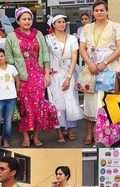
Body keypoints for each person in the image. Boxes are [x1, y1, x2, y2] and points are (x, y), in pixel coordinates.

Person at [7, 7, 58, 148]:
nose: (27, 21)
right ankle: (25, 137)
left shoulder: (38, 34)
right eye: (24, 19)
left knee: (38, 107)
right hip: (21, 78)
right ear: (17, 21)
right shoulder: (12, 37)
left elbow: (45, 56)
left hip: (38, 76)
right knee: (24, 107)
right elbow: (9, 60)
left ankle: (36, 137)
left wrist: (46, 74)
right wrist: (14, 79)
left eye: (29, 19)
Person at [77, 0, 120, 146]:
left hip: (110, 69)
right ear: (93, 12)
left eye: (102, 10)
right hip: (91, 69)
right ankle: (90, 134)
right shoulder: (86, 28)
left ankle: (109, 133)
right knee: (90, 102)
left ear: (107, 11)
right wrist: (90, 64)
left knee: (108, 102)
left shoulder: (116, 26)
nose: (99, 12)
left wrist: (104, 63)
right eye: (96, 10)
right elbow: (82, 48)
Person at [45, 15, 83, 143]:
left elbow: (74, 58)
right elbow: (45, 58)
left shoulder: (72, 38)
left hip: (68, 72)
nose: (62, 24)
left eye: (63, 22)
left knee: (70, 100)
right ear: (53, 24)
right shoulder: (48, 39)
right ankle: (59, 132)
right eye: (59, 22)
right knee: (56, 103)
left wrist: (68, 77)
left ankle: (70, 130)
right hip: (54, 73)